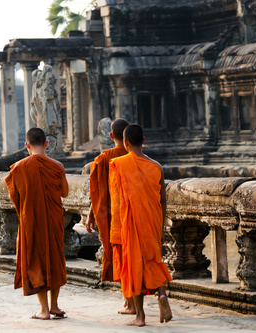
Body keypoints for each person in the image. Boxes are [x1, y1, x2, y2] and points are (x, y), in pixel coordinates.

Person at [109, 124, 173, 327]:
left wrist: (117, 230)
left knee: (134, 266)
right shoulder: (156, 166)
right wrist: (162, 227)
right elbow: (163, 200)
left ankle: (140, 316)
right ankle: (162, 293)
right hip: (152, 221)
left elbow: (117, 201)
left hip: (130, 222)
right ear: (143, 141)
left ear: (125, 143)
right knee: (153, 258)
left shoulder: (118, 164)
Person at [5, 127, 69, 320]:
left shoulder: (18, 168)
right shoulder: (57, 166)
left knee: (37, 261)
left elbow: (15, 198)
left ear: (27, 145)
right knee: (55, 259)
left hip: (31, 221)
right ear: (46, 144)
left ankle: (44, 310)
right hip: (54, 220)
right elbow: (64, 193)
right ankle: (55, 306)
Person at [85, 118, 136, 314]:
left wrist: (91, 215)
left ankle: (128, 298)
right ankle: (134, 297)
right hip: (134, 214)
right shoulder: (138, 158)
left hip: (112, 216)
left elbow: (97, 192)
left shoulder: (103, 159)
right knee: (133, 255)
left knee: (119, 256)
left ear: (110, 136)